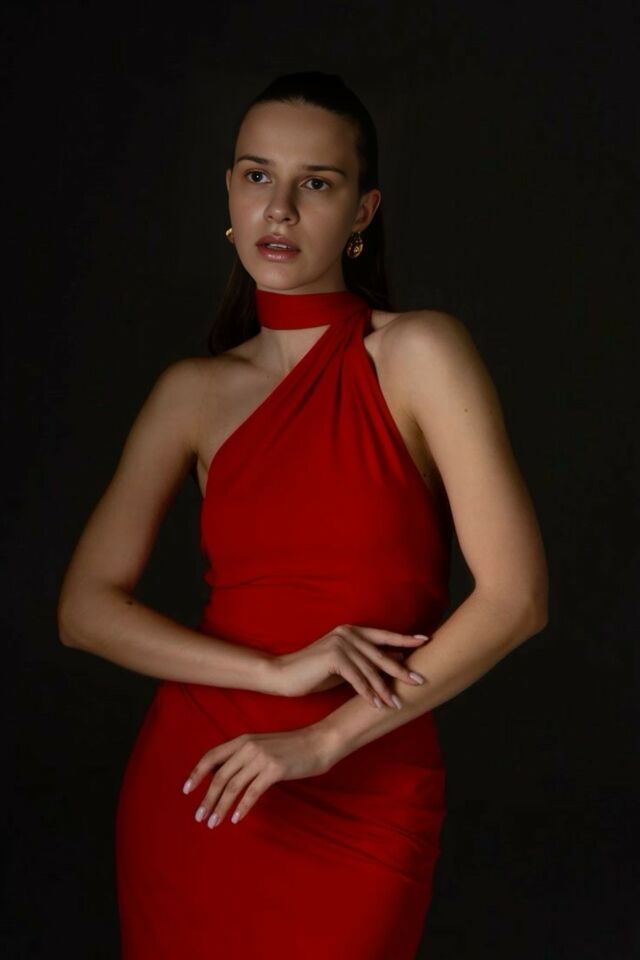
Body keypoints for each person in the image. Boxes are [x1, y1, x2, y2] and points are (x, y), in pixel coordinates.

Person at [57, 71, 548, 959]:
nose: (278, 208)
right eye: (257, 176)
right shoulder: (192, 393)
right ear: (229, 194)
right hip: (204, 780)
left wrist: (324, 739)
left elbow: (516, 600)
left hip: (366, 779)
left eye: (315, 183)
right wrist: (276, 674)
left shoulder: (418, 352)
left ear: (363, 211)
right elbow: (83, 611)